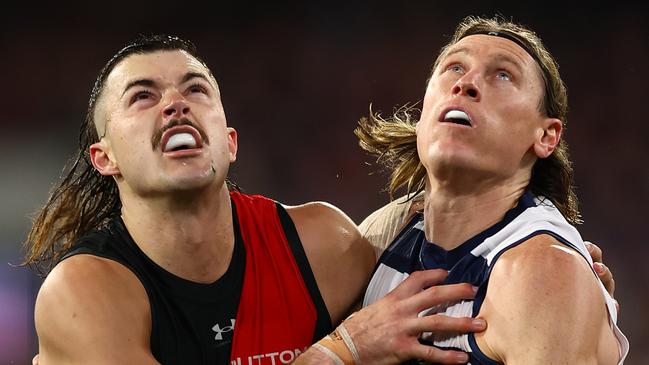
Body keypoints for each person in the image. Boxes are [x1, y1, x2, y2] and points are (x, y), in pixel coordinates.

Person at [24, 34, 488, 365]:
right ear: (104, 158)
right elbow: (360, 344)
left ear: (229, 142)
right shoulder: (84, 292)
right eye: (142, 96)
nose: (175, 103)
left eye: (196, 89)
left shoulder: (322, 245)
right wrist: (341, 350)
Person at [353, 15, 629, 364]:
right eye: (454, 67)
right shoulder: (383, 237)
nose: (465, 84)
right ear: (422, 114)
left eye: (503, 75)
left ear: (546, 137)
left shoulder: (543, 272)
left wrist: (336, 353)